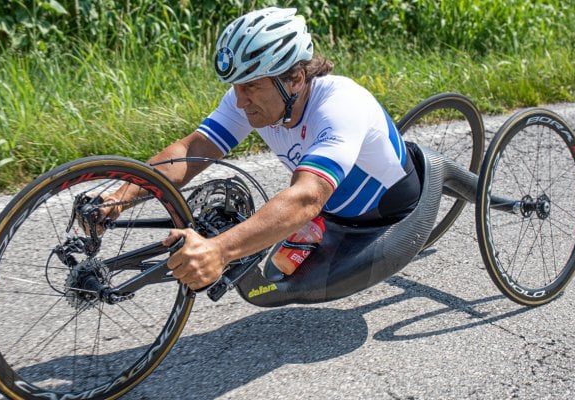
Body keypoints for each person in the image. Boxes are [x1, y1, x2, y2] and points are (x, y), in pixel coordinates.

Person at [86, 7, 420, 290]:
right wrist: (119, 198)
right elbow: (193, 149)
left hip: (384, 211)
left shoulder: (340, 104)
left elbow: (306, 198)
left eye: (251, 86)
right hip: (331, 215)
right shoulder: (253, 100)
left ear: (296, 78)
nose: (240, 99)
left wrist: (218, 251)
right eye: (235, 86)